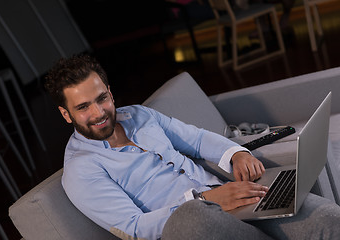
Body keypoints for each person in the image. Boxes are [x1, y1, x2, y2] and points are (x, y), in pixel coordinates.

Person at [44, 54, 340, 240]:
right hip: (191, 225)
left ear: (109, 92)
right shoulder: (82, 168)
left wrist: (234, 153)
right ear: (65, 113)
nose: (98, 113)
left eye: (101, 99)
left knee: (329, 220)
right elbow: (133, 228)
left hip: (232, 195)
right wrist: (207, 199)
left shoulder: (138, 115)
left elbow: (196, 139)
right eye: (83, 107)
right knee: (193, 218)